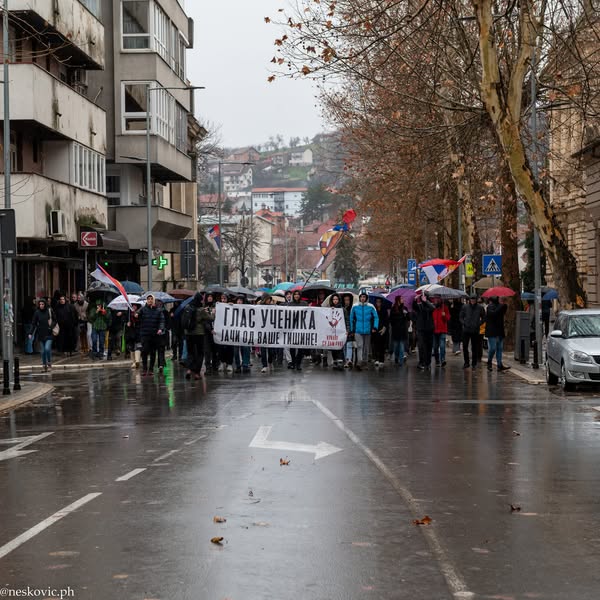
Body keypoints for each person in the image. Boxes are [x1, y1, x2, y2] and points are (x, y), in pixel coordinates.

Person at [184, 291, 213, 379]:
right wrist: (213, 312)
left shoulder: (187, 307)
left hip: (188, 333)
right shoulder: (201, 310)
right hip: (199, 334)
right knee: (200, 353)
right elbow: (211, 318)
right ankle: (196, 373)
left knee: (190, 352)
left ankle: (189, 369)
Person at [349, 292, 378, 370]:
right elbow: (351, 318)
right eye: (361, 297)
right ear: (359, 298)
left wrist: (375, 327)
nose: (362, 298)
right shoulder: (355, 306)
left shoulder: (371, 306)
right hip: (358, 330)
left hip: (368, 330)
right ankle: (359, 362)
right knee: (360, 346)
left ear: (366, 298)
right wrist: (351, 330)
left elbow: (376, 317)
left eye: (364, 297)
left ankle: (364, 363)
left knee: (366, 347)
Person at [138, 294, 165, 376]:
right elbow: (138, 316)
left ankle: (151, 369)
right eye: (148, 299)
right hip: (145, 334)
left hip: (154, 335)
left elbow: (162, 321)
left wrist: (160, 329)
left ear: (153, 300)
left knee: (153, 352)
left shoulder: (158, 310)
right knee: (144, 352)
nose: (150, 300)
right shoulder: (143, 309)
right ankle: (144, 368)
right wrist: (136, 315)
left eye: (151, 299)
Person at [29, 299, 56, 372]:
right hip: (40, 334)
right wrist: (30, 333)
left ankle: (49, 364)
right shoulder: (37, 312)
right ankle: (44, 365)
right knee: (43, 351)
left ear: (45, 304)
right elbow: (33, 323)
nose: (41, 306)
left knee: (47, 349)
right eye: (40, 304)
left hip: (49, 333)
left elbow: (55, 320)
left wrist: (51, 327)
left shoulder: (49, 311)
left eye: (42, 304)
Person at [485, 296, 511, 372]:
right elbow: (493, 315)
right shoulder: (490, 307)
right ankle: (489, 362)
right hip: (492, 331)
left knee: (499, 349)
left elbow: (504, 310)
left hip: (499, 330)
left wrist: (504, 304)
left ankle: (499, 364)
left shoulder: (502, 306)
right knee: (493, 348)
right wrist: (500, 306)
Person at [460, 294, 485, 368]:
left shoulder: (480, 308)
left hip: (475, 330)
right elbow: (461, 317)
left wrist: (479, 324)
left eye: (474, 299)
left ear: (476, 300)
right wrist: (464, 323)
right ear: (469, 300)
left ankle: (474, 363)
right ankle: (466, 362)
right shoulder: (465, 307)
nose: (473, 300)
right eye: (471, 299)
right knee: (465, 346)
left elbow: (484, 317)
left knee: (474, 347)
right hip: (466, 330)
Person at [413, 292, 435, 370]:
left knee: (429, 346)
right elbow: (414, 307)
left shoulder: (430, 304)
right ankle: (421, 362)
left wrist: (426, 301)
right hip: (421, 329)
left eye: (425, 297)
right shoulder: (419, 305)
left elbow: (433, 308)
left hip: (429, 329)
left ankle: (427, 363)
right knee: (421, 346)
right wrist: (415, 300)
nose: (423, 298)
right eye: (422, 297)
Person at [288, 290, 308, 370]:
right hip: (292, 328)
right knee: (292, 347)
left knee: (300, 347)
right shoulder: (290, 305)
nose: (296, 296)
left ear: (300, 295)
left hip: (301, 328)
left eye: (298, 294)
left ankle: (298, 363)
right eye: (295, 294)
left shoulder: (304, 304)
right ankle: (293, 362)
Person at [389, 296, 409, 366]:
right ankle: (396, 357)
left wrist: (406, 314)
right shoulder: (393, 308)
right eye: (401, 299)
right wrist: (402, 316)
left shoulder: (405, 308)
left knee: (401, 345)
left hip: (403, 330)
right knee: (396, 346)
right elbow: (391, 319)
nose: (403, 300)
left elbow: (408, 318)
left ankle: (401, 360)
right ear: (398, 300)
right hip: (396, 330)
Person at [233, 296, 251, 373]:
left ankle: (245, 365)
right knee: (236, 350)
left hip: (245, 332)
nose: (239, 301)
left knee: (246, 348)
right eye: (238, 300)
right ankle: (238, 366)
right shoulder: (233, 308)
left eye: (241, 300)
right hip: (236, 333)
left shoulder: (247, 309)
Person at [371, 297, 389, 368]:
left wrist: (384, 328)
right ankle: (376, 359)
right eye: (377, 302)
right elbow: (371, 319)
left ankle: (382, 360)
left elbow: (386, 320)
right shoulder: (373, 310)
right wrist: (373, 328)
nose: (378, 303)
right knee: (375, 345)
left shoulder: (384, 310)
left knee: (382, 346)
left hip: (382, 330)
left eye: (379, 302)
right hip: (375, 329)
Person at [432, 299, 449, 367]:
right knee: (435, 347)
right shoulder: (432, 308)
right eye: (435, 300)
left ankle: (442, 359)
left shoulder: (444, 308)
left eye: (438, 300)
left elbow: (448, 318)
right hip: (434, 330)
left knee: (442, 346)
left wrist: (444, 315)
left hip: (442, 330)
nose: (436, 301)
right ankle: (437, 361)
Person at [125, 302, 142, 369]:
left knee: (138, 346)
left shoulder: (140, 312)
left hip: (138, 331)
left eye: (135, 306)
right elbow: (123, 320)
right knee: (131, 347)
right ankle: (133, 362)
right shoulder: (128, 313)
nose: (134, 307)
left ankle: (137, 361)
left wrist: (137, 318)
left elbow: (142, 320)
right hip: (130, 332)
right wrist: (127, 323)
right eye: (133, 306)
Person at [342, 294, 355, 367]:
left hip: (350, 329)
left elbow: (354, 320)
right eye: (345, 300)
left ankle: (349, 359)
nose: (347, 301)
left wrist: (352, 330)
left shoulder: (353, 309)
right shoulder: (341, 309)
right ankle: (345, 360)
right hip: (342, 330)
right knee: (343, 346)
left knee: (349, 345)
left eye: (348, 300)